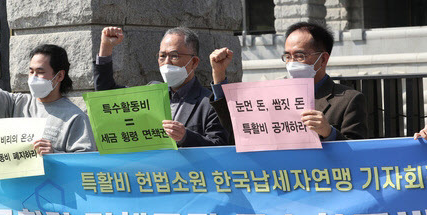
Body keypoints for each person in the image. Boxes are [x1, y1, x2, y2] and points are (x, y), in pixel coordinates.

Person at [210, 22, 367, 141]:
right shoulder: (271, 94)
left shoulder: (348, 100)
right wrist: (219, 74)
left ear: (323, 59)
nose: (292, 62)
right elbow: (236, 124)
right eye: (288, 56)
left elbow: (358, 153)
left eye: (299, 56)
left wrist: (329, 132)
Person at [0, 32, 96, 153]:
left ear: (59, 76)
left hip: (52, 186)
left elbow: (84, 163)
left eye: (40, 72)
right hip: (17, 185)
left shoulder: (75, 118)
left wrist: (55, 154)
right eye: (31, 71)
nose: (33, 78)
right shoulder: (17, 104)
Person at [93, 26, 229, 146]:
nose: (167, 63)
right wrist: (106, 47)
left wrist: (185, 137)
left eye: (174, 56)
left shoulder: (208, 103)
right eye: (162, 56)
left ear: (194, 62)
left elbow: (221, 145)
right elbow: (107, 96)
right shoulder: (151, 93)